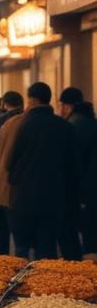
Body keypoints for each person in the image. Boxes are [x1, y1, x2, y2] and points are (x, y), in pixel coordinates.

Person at [6, 83, 75, 259]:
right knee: (47, 247)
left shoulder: (22, 125)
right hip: (54, 197)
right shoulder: (65, 127)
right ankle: (45, 283)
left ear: (33, 100)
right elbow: (73, 165)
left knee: (23, 248)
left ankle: (23, 284)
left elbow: (11, 161)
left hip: (25, 196)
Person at [58, 88, 97, 258]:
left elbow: (72, 163)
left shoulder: (73, 126)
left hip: (81, 191)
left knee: (73, 236)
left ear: (68, 106)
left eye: (62, 105)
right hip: (91, 191)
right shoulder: (91, 122)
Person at [0, 92, 24, 255]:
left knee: (4, 228)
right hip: (21, 184)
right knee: (19, 230)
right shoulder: (24, 121)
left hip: (1, 182)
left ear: (3, 104)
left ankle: (3, 258)